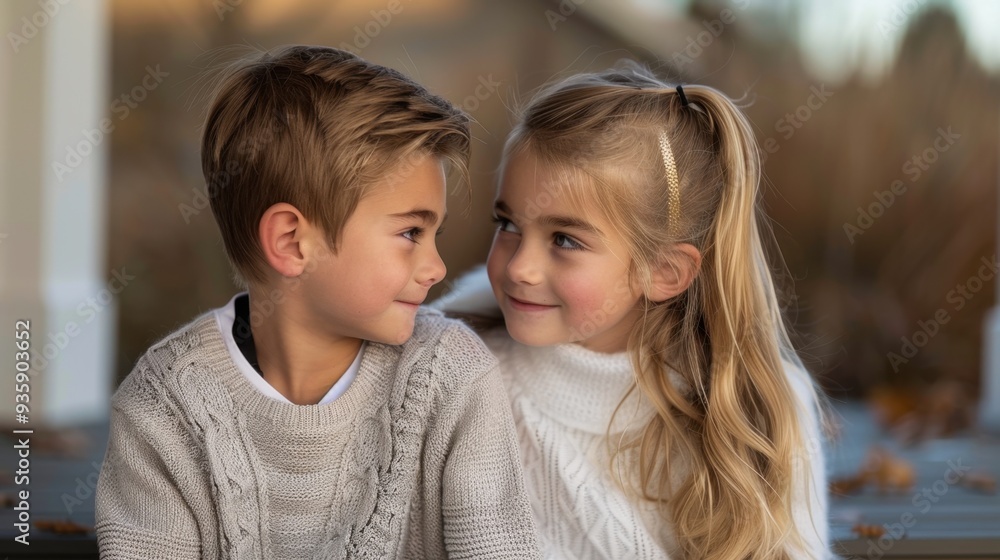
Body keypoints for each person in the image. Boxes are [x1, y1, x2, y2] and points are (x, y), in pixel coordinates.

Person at [95, 45, 540, 560]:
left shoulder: (454, 378)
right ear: (291, 242)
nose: (436, 268)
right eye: (411, 231)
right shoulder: (161, 409)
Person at [435, 63, 831, 559]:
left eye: (564, 239)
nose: (520, 267)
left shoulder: (756, 411)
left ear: (663, 271)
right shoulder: (459, 377)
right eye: (508, 223)